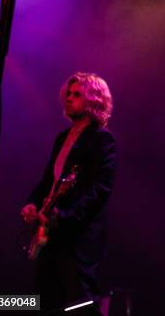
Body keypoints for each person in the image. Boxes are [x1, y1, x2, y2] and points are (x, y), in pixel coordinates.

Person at [21, 72, 116, 315]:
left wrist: (65, 215)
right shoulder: (62, 138)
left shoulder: (102, 140)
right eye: (68, 94)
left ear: (94, 100)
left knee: (79, 303)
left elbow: (100, 189)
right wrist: (32, 203)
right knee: (45, 300)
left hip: (79, 234)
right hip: (50, 232)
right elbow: (48, 180)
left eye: (77, 95)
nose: (68, 98)